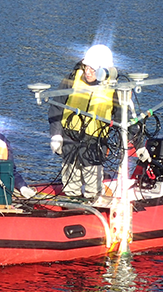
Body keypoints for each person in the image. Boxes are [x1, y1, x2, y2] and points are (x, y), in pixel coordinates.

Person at [48, 44, 120, 200]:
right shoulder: (73, 79)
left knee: (93, 180)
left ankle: (92, 202)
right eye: (86, 67)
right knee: (70, 177)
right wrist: (55, 135)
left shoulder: (115, 88)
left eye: (92, 70)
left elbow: (124, 118)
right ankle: (70, 202)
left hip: (94, 141)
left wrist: (140, 146)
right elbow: (56, 107)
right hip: (70, 137)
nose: (87, 72)